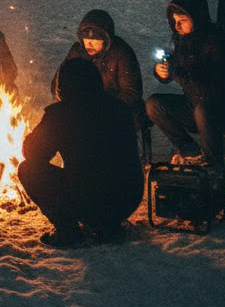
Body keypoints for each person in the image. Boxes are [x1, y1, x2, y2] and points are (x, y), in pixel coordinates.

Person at [19, 59, 144, 248]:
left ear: (63, 87)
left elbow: (33, 154)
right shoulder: (119, 107)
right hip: (128, 198)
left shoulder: (60, 113)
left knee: (28, 170)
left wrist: (34, 136)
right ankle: (108, 226)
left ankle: (67, 231)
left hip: (87, 200)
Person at [145, 0, 225, 169]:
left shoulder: (217, 43)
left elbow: (211, 91)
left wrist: (176, 73)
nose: (178, 27)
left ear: (197, 18)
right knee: (154, 105)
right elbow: (174, 66)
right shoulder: (183, 39)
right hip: (197, 105)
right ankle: (191, 152)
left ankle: (213, 166)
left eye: (183, 21)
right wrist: (162, 71)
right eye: (176, 22)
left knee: (203, 110)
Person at [51, 9, 145, 129]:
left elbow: (131, 92)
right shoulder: (78, 52)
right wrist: (70, 103)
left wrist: (101, 108)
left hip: (115, 109)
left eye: (95, 40)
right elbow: (58, 83)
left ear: (105, 40)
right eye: (87, 39)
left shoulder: (121, 53)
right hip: (83, 108)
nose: (89, 44)